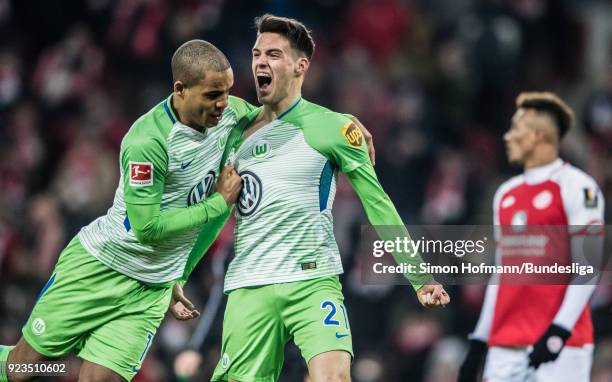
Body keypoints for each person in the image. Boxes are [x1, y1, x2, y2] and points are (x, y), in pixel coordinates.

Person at [176, 14, 450, 382]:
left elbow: (377, 202)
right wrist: (179, 274)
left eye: (274, 54)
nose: (260, 62)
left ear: (300, 65)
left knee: (334, 377)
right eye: (257, 53)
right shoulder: (234, 130)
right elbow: (214, 217)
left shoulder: (333, 128)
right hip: (248, 286)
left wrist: (419, 277)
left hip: (312, 280)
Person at [0, 40, 249, 382]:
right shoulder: (148, 142)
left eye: (227, 91)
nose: (224, 103)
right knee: (22, 369)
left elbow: (275, 114)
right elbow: (147, 228)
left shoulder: (229, 113)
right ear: (180, 89)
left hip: (150, 290)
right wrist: (217, 202)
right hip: (102, 267)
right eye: (212, 95)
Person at [458, 92, 604, 382]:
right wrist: (479, 341)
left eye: (517, 129)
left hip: (562, 347)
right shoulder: (505, 194)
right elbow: (501, 273)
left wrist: (559, 330)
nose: (508, 137)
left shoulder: (578, 187)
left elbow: (588, 267)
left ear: (539, 135)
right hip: (505, 343)